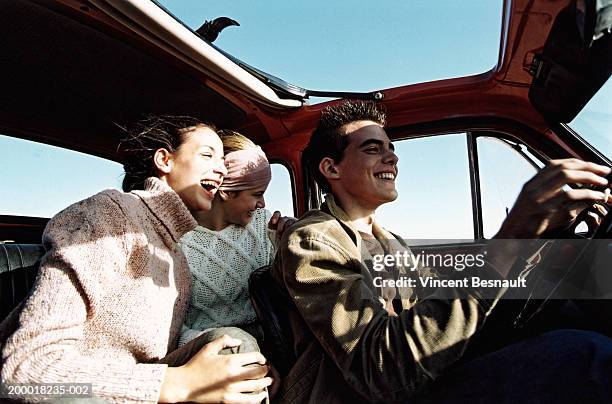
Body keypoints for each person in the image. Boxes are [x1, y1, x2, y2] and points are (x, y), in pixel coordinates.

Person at [270, 100, 612, 403]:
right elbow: (381, 370)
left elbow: (443, 297)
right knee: (582, 357)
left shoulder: (390, 241)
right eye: (373, 149)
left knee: (559, 318)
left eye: (390, 147)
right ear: (332, 168)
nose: (393, 156)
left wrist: (535, 240)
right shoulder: (312, 240)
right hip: (371, 393)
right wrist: (511, 238)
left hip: (423, 375)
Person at [0, 116, 273, 404]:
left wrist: (255, 369)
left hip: (136, 390)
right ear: (165, 160)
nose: (220, 168)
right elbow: (23, 376)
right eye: (207, 155)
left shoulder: (176, 258)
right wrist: (174, 383)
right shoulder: (107, 217)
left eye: (222, 160)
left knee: (232, 347)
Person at [179, 130, 285, 346]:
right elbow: (172, 326)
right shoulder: (180, 240)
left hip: (271, 340)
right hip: (212, 348)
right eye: (256, 194)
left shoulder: (262, 225)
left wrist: (285, 247)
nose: (263, 203)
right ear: (227, 191)